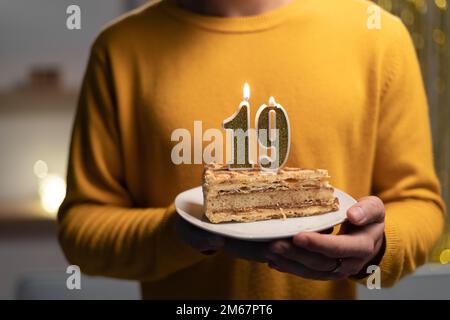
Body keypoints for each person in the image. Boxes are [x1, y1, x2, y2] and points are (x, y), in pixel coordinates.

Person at [58, 0, 445, 299]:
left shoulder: (377, 36)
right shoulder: (121, 49)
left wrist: (376, 246)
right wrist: (177, 233)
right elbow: (80, 229)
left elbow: (419, 205)